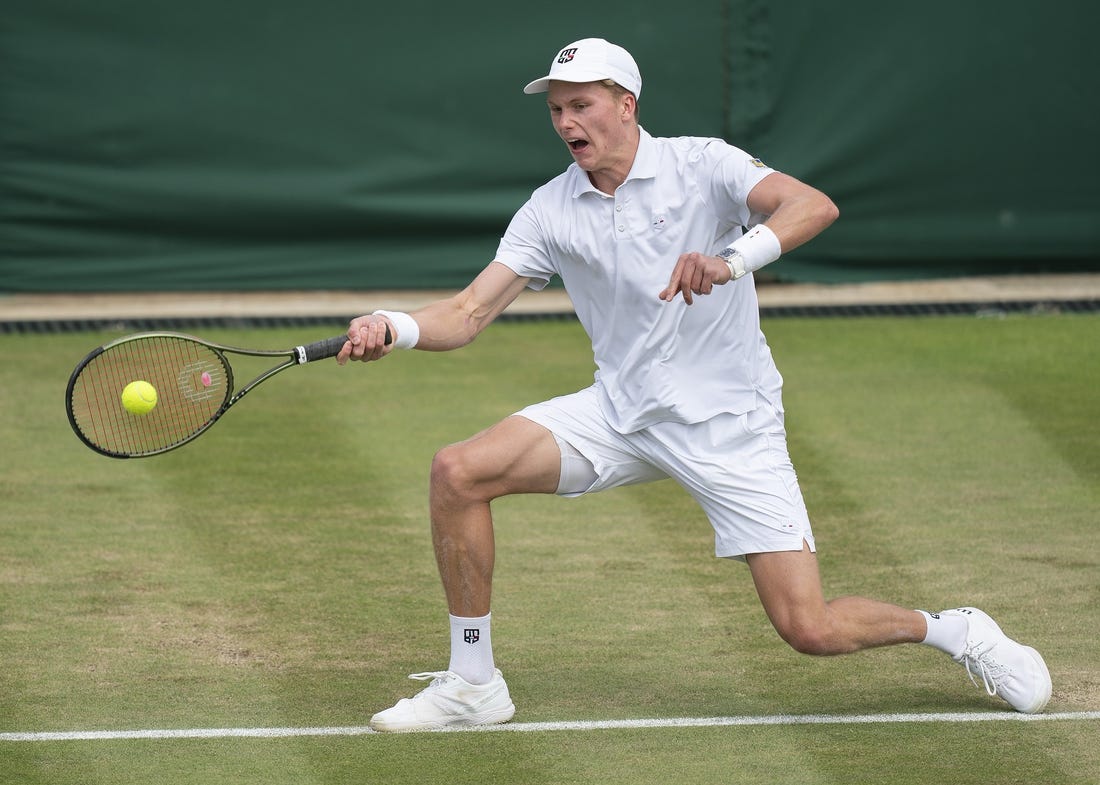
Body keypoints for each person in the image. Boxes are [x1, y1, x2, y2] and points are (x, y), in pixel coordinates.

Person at [337, 38, 1052, 732]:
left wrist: (731, 260)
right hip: (621, 413)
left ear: (626, 104)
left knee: (810, 628)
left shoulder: (704, 164)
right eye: (556, 110)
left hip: (730, 424)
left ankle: (956, 630)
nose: (565, 123)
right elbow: (467, 312)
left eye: (581, 105)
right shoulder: (550, 208)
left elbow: (812, 205)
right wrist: (392, 325)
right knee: (459, 472)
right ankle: (472, 682)